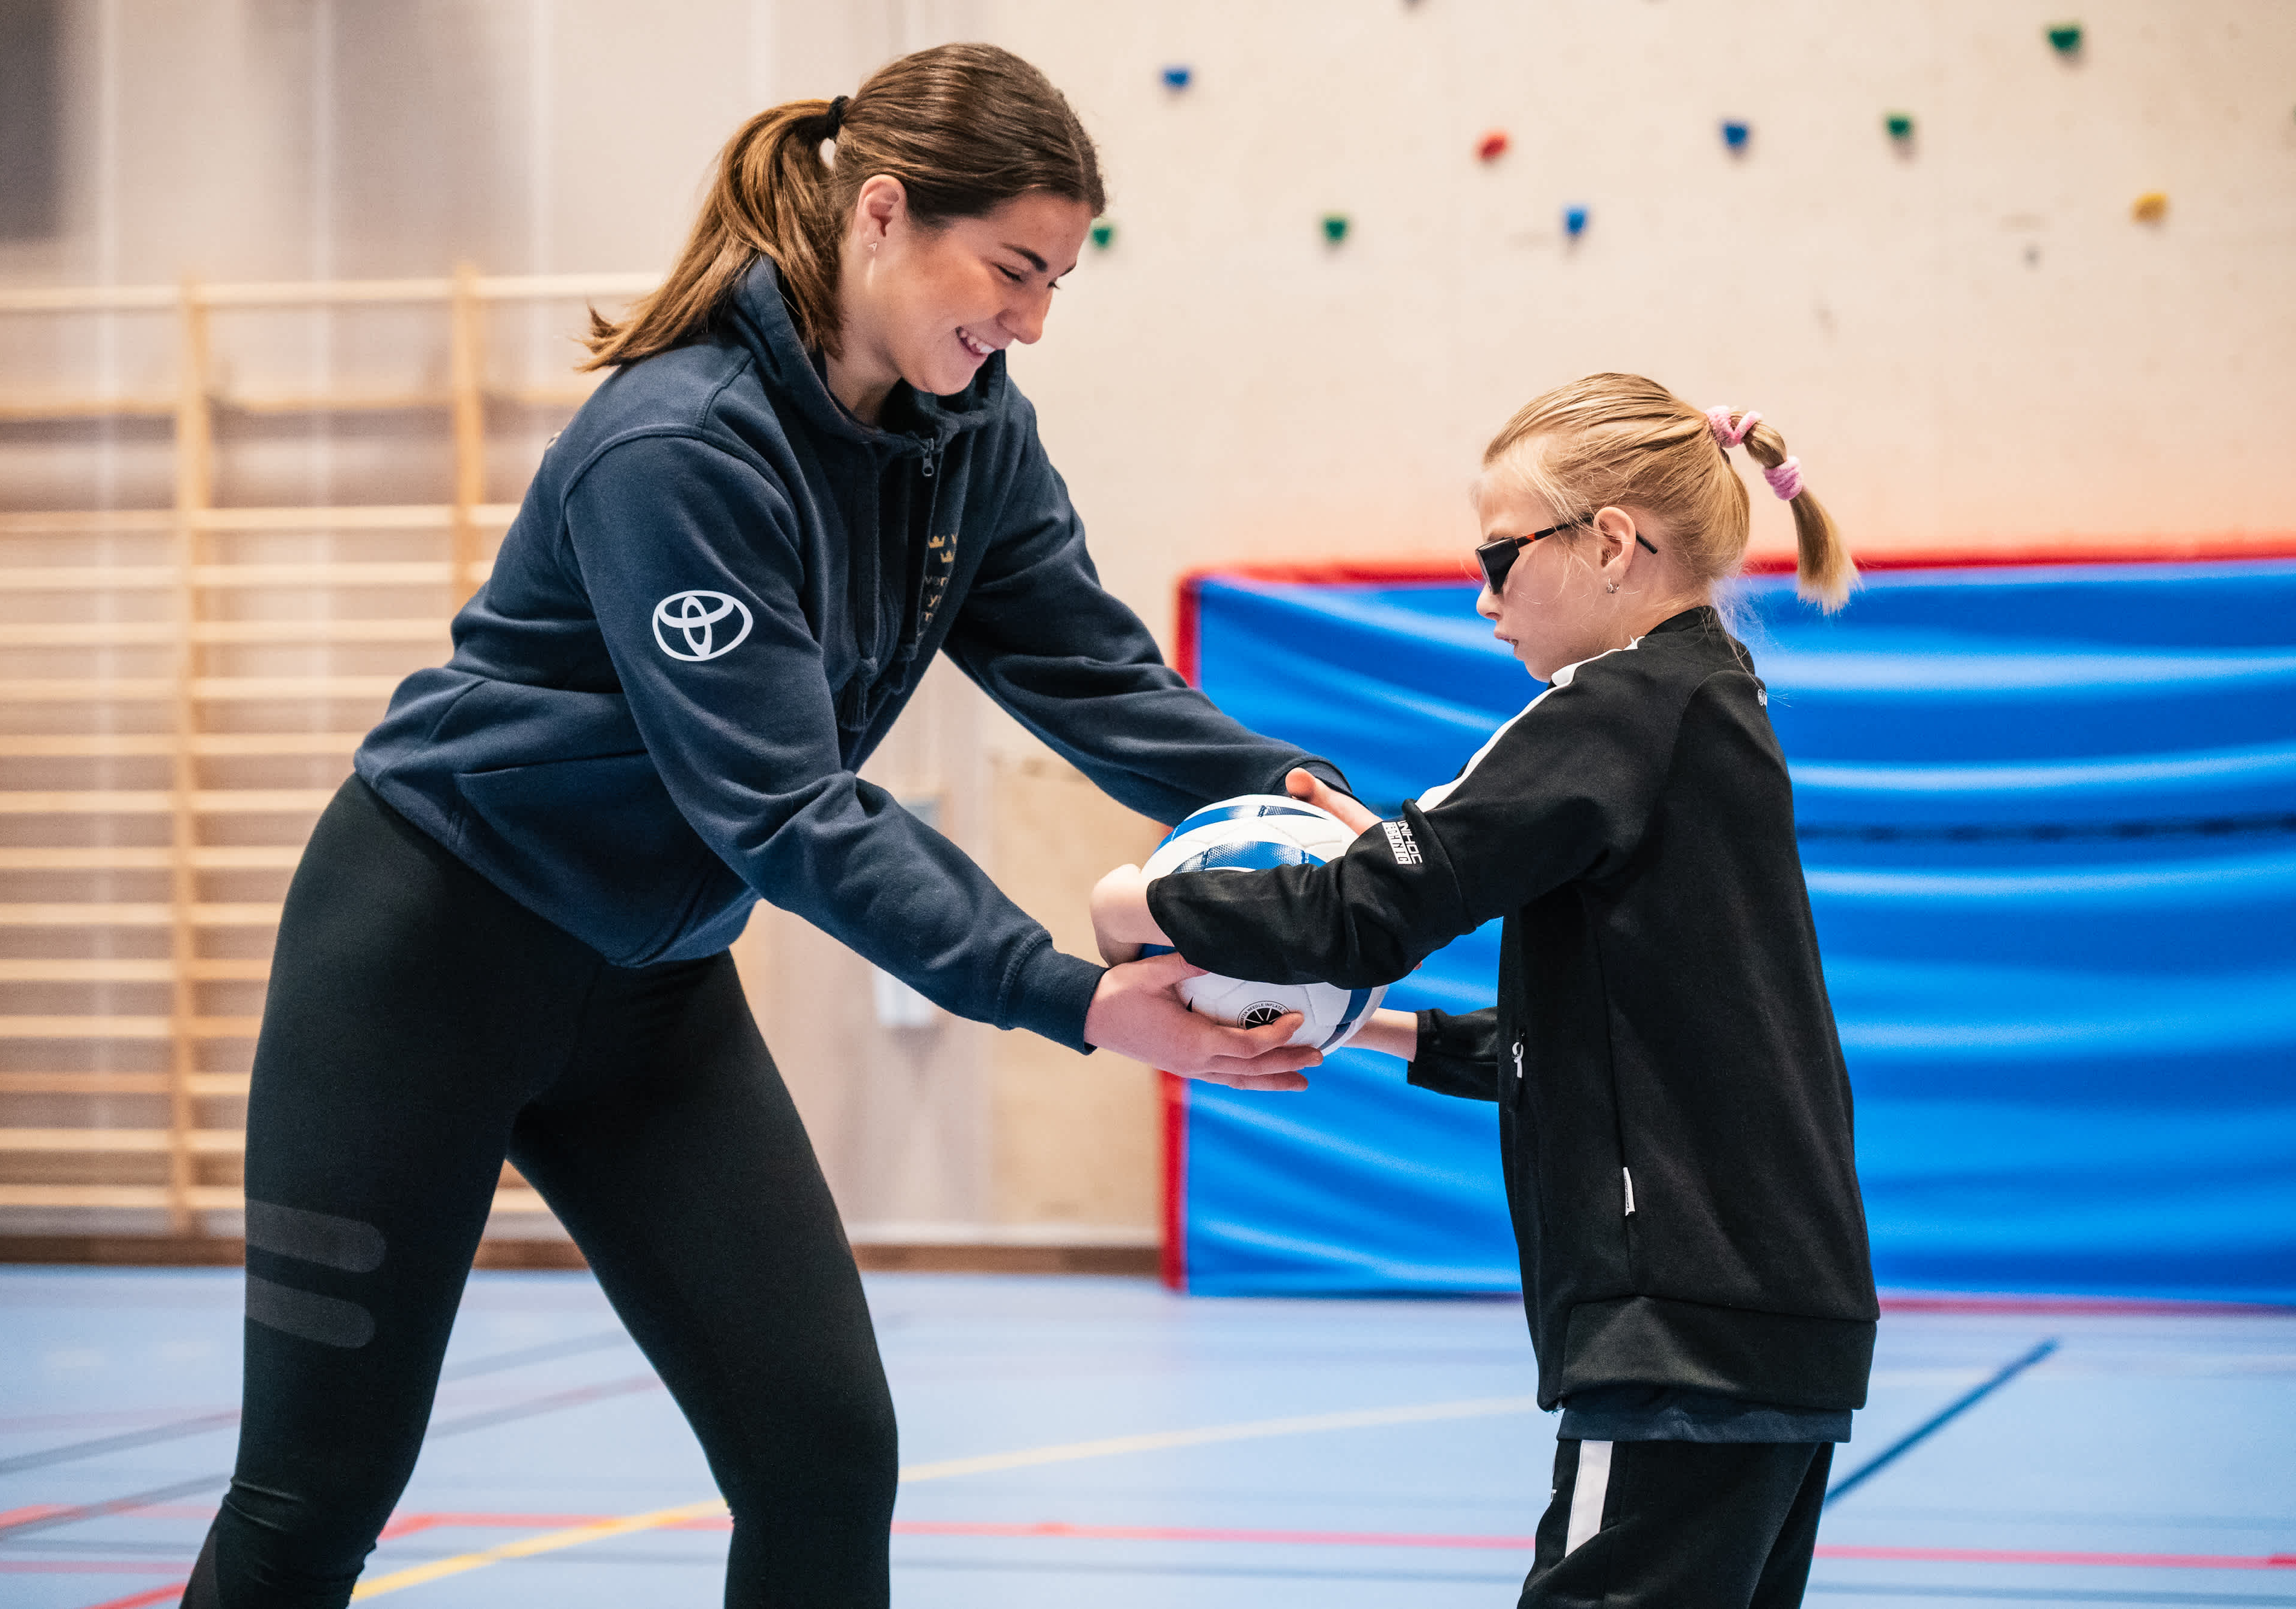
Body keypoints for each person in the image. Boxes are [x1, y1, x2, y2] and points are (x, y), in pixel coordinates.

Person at [182, 44, 1343, 1609]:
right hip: (426, 960)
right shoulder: (680, 445)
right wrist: (1072, 997)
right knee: (315, 1490)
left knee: (822, 1456)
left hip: (649, 993)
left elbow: (1089, 668)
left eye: (1058, 283)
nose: (1031, 321)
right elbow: (783, 806)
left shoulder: (969, 430)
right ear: (884, 212)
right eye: (1012, 270)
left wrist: (1292, 795)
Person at [1093, 375, 1877, 1609]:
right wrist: (1366, 1027)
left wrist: (1138, 905)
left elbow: (1360, 913)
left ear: (1610, 542)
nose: (1483, 597)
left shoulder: (1614, 707)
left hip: (1677, 1318)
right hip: (1776, 1317)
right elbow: (1622, 1038)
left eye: (1499, 556)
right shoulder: (1714, 701)